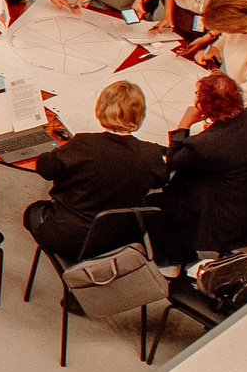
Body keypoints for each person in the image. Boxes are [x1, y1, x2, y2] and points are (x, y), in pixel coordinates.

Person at [26, 81, 167, 259]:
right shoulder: (151, 154)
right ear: (139, 114)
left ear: (102, 108)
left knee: (33, 211)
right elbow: (160, 179)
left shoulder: (83, 144)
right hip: (120, 241)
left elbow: (46, 168)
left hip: (69, 237)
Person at [156, 72, 247, 262]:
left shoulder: (205, 146)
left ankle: (174, 258)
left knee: (167, 198)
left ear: (205, 109)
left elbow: (173, 163)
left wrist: (184, 124)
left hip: (232, 226)